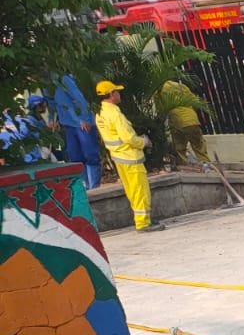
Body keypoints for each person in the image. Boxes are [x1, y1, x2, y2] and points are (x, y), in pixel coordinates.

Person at [93, 81, 162, 232]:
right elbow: (129, 138)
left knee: (132, 190)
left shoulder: (100, 113)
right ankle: (143, 223)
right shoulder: (115, 114)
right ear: (111, 95)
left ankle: (143, 220)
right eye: (117, 92)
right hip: (130, 156)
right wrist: (144, 142)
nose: (119, 94)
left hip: (118, 157)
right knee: (140, 190)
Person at [51, 76, 101, 188]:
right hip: (68, 124)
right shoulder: (47, 84)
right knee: (75, 156)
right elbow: (51, 102)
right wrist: (51, 118)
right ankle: (84, 186)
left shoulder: (63, 79)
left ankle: (94, 187)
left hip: (82, 123)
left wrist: (84, 119)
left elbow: (79, 99)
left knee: (90, 155)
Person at [161, 79, 210, 165]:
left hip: (176, 121)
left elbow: (161, 107)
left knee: (179, 147)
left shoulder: (161, 90)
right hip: (192, 119)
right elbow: (194, 100)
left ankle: (186, 165)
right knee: (198, 145)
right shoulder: (182, 86)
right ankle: (206, 164)